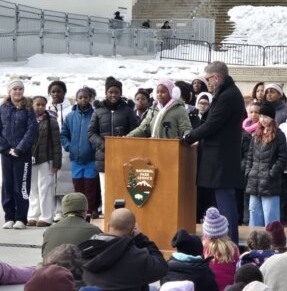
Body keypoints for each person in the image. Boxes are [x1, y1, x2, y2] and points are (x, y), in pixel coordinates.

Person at [183, 61, 245, 244]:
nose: (207, 82)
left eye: (208, 79)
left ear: (217, 78)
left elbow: (212, 125)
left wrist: (189, 137)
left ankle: (230, 241)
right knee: (222, 200)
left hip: (222, 157)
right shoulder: (226, 93)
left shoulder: (228, 96)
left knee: (225, 201)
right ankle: (222, 239)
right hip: (220, 155)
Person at [79, 208, 168, 290]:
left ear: (108, 226)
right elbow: (162, 268)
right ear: (133, 231)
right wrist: (141, 238)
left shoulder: (86, 251)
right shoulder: (139, 257)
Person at [88, 77, 138, 215]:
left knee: (122, 188)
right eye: (110, 92)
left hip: (124, 156)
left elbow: (136, 131)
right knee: (105, 189)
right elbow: (91, 133)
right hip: (103, 156)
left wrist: (123, 144)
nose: (113, 95)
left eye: (116, 92)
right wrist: (105, 146)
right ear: (106, 92)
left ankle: (122, 217)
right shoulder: (98, 111)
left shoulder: (127, 111)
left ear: (120, 93)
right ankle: (106, 216)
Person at [1, 80, 38, 230]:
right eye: (14, 89)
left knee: (21, 186)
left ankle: (21, 218)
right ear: (9, 91)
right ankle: (9, 217)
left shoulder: (28, 109)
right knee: (7, 185)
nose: (17, 91)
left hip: (22, 155)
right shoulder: (2, 108)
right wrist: (5, 148)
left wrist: (19, 149)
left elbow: (32, 131)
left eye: (20, 89)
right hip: (6, 154)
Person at [245, 102, 287, 227]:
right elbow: (250, 156)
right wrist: (249, 171)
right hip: (254, 180)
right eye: (261, 116)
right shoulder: (256, 135)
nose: (263, 120)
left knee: (271, 217)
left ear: (272, 118)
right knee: (254, 216)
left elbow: (282, 158)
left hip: (270, 182)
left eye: (266, 117)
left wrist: (271, 173)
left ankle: (273, 243)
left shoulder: (279, 135)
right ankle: (254, 243)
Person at [61, 88, 98, 217]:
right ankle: (79, 212)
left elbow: (97, 134)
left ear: (90, 99)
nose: (83, 100)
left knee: (90, 187)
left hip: (91, 159)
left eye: (86, 97)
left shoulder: (95, 114)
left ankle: (91, 210)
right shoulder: (70, 116)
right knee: (78, 187)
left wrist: (93, 148)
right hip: (75, 159)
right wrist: (69, 146)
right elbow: (64, 134)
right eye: (80, 97)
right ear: (76, 99)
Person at [27, 96, 62, 227]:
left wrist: (56, 163)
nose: (40, 107)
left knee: (45, 188)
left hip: (46, 160)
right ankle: (33, 216)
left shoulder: (51, 121)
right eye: (38, 105)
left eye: (43, 105)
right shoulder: (28, 120)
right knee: (32, 189)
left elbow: (57, 144)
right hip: (30, 160)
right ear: (32, 106)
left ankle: (46, 217)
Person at [42, 192, 102, 258]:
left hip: (51, 267)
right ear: (85, 212)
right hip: (80, 267)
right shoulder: (95, 231)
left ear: (64, 211)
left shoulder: (49, 231)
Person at [46, 81, 74, 222]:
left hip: (65, 149)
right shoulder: (46, 108)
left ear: (64, 92)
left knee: (64, 182)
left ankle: (62, 210)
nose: (56, 94)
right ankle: (52, 211)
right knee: (51, 182)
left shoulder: (71, 110)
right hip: (49, 150)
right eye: (53, 92)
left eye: (59, 91)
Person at [127, 79, 192, 139]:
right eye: (157, 92)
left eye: (163, 92)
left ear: (172, 93)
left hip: (172, 148)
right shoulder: (153, 109)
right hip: (155, 147)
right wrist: (128, 137)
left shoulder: (180, 109)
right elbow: (142, 128)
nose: (159, 94)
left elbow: (186, 129)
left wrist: (186, 138)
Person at [202, 207, 240, 291]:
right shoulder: (233, 248)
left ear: (206, 233)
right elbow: (237, 272)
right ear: (226, 231)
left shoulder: (204, 248)